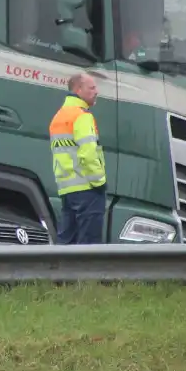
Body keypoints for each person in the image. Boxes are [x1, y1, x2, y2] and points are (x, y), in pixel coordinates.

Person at [49, 72, 108, 244]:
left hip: (67, 190)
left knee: (67, 243)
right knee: (89, 246)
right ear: (78, 89)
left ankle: (57, 271)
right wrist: (99, 182)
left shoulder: (58, 117)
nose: (96, 91)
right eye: (92, 88)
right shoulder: (82, 116)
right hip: (87, 189)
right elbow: (88, 153)